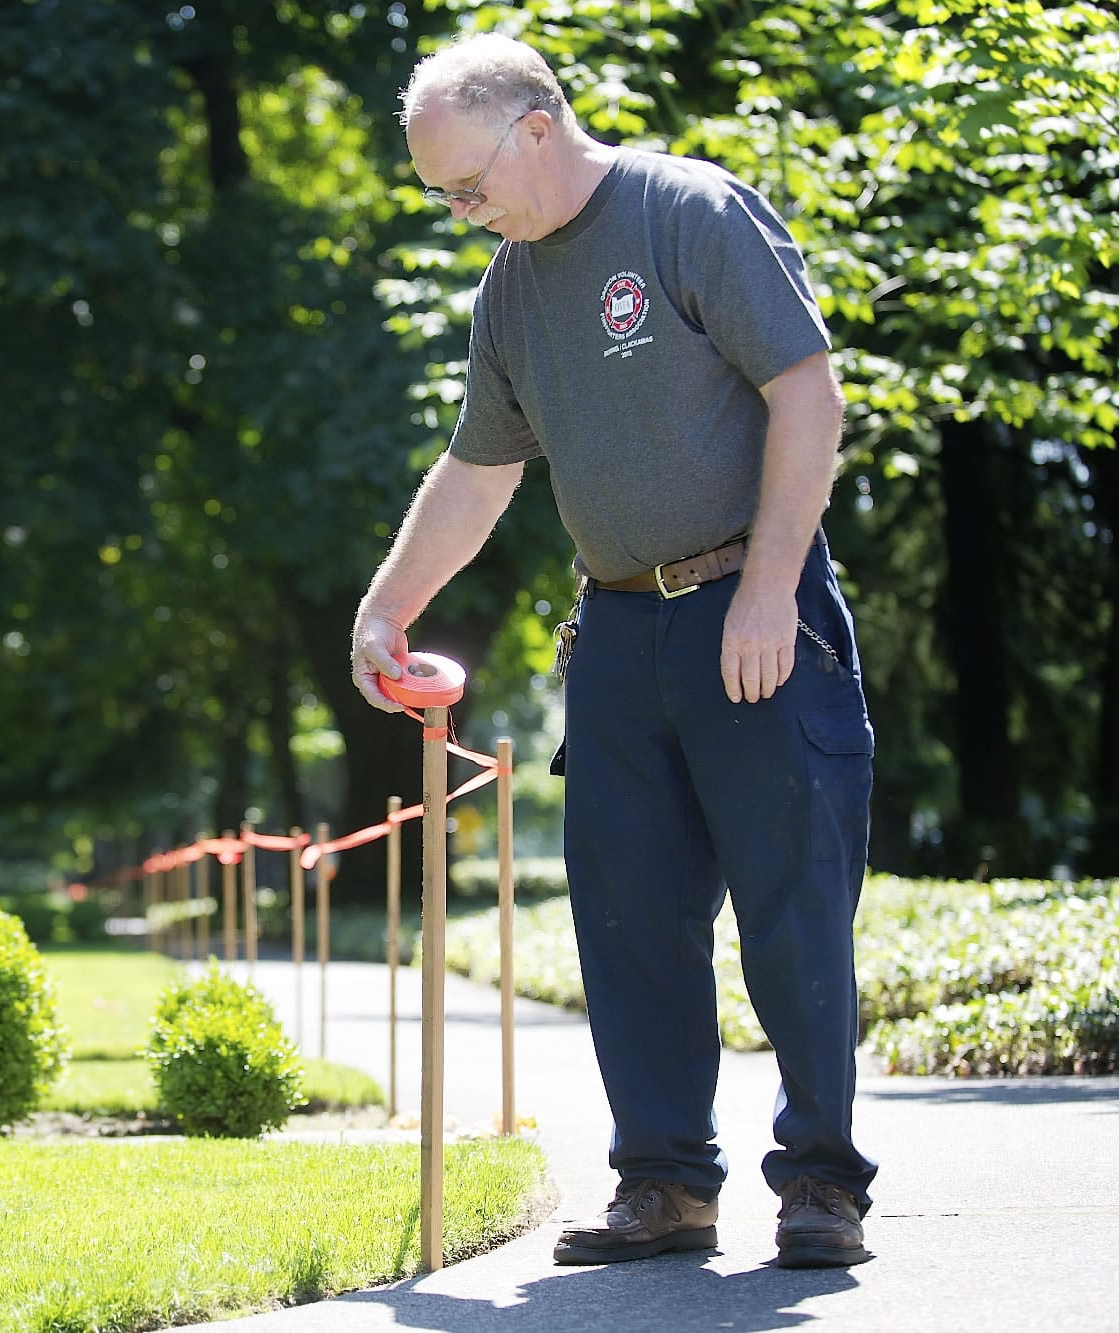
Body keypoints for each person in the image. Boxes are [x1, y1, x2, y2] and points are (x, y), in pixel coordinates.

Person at [351, 33, 877, 1270]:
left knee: (792, 904)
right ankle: (663, 1184)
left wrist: (761, 592)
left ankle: (818, 1183)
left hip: (751, 608)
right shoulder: (508, 291)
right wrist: (386, 611)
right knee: (627, 915)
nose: (459, 213)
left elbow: (807, 393)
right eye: (439, 197)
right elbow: (478, 471)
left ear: (536, 126)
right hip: (616, 628)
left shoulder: (687, 213)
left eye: (465, 185)